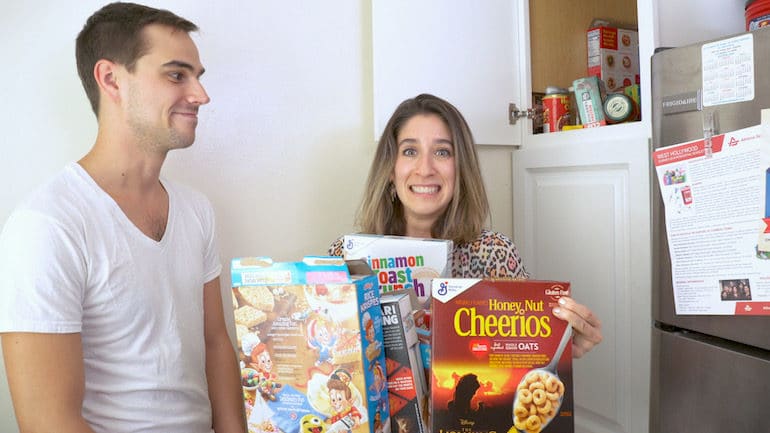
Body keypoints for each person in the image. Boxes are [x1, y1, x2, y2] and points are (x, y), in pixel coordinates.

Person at [0, 3, 246, 432]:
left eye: (197, 77)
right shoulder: (48, 225)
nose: (201, 95)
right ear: (111, 79)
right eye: (176, 75)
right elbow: (47, 421)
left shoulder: (196, 211)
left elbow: (215, 343)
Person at [329, 93, 602, 358]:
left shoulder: (496, 254)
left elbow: (522, 356)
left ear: (460, 168)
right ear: (390, 168)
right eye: (410, 151)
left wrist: (559, 342)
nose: (424, 169)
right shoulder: (346, 257)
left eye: (442, 152)